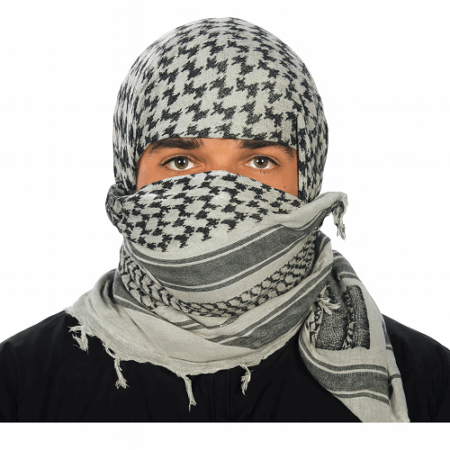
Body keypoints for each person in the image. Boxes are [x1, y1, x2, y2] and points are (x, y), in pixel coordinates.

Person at [0, 17, 449, 422]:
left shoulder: (424, 384)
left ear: (307, 181)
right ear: (129, 178)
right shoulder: (21, 383)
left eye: (259, 162)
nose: (220, 195)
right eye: (180, 162)